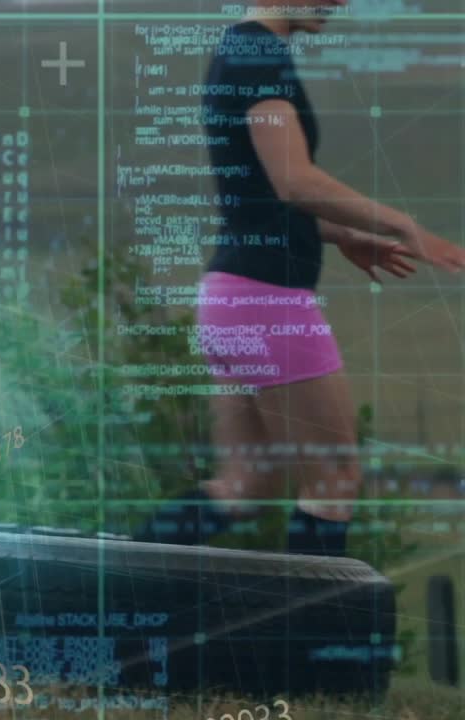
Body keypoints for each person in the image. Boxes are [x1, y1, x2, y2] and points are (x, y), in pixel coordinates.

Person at [135, 0, 465, 557]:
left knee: (244, 486)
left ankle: (120, 589)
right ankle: (307, 645)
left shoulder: (240, 50)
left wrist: (341, 235)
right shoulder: (261, 57)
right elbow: (293, 180)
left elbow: (260, 197)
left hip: (230, 300)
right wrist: (403, 224)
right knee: (334, 482)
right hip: (268, 304)